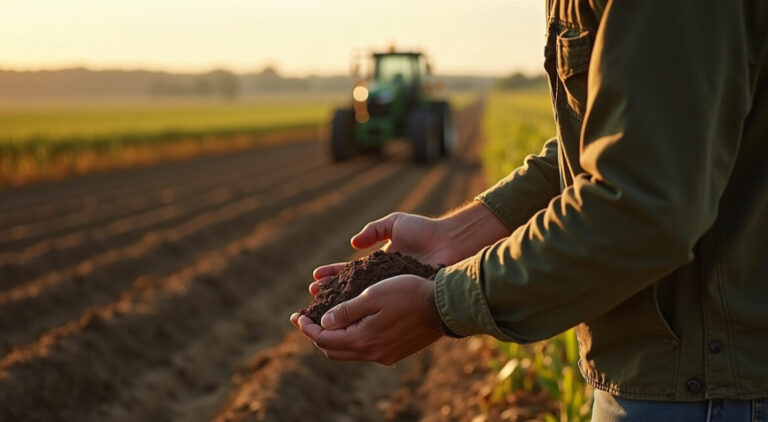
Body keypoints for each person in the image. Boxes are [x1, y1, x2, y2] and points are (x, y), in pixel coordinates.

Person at [290, 1, 768, 420]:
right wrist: (454, 235)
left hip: (708, 392)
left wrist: (437, 305)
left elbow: (644, 204)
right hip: (680, 377)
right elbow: (603, 144)